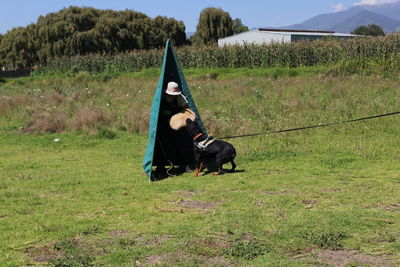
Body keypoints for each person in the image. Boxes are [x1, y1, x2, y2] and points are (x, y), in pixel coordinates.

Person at [155, 81, 194, 175]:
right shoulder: (160, 98)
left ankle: (184, 165)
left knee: (181, 145)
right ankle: (160, 167)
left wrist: (180, 118)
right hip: (162, 126)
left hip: (177, 126)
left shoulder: (180, 98)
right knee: (161, 147)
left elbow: (187, 109)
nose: (174, 96)